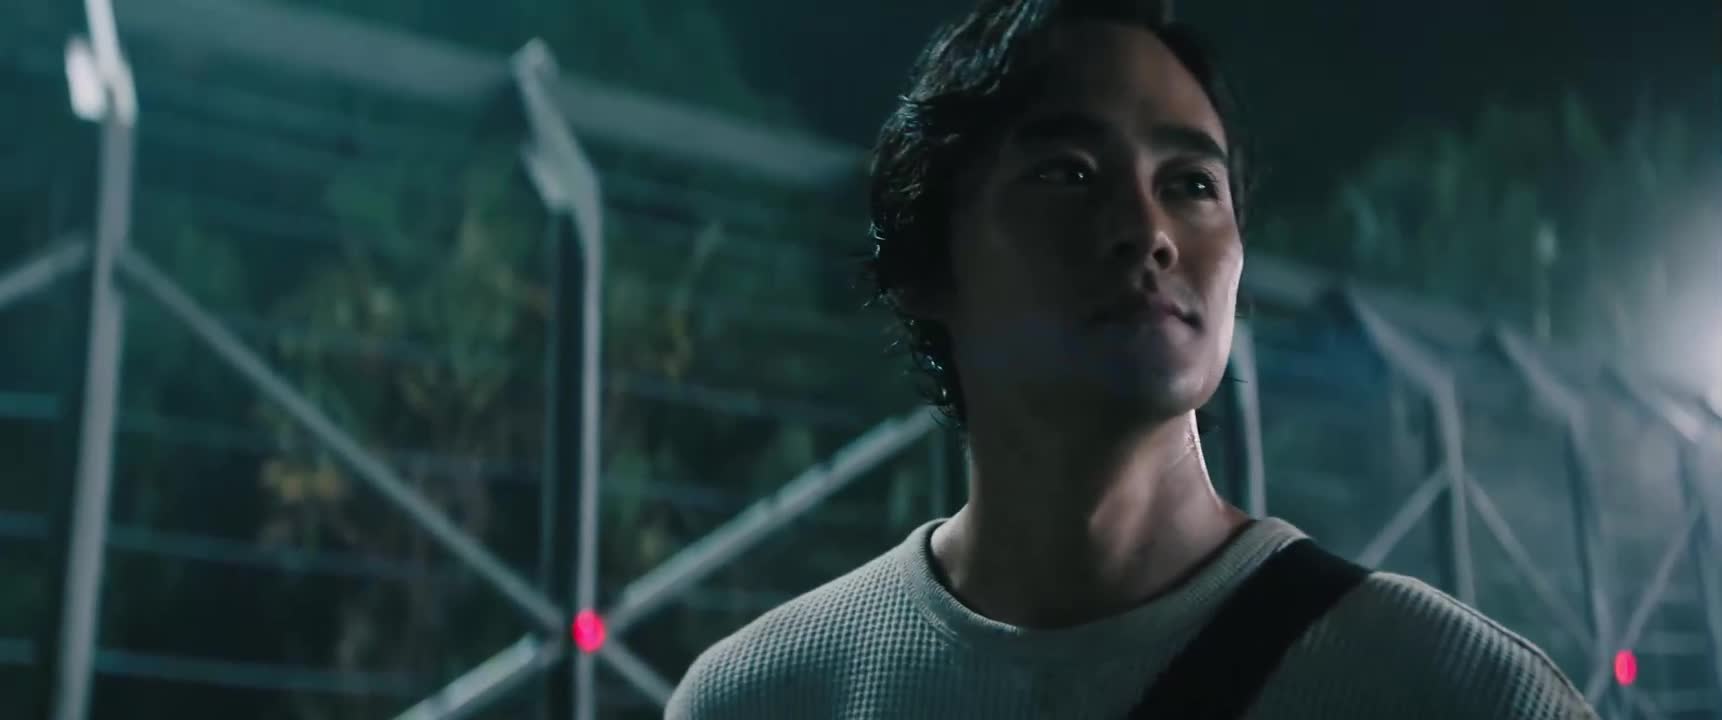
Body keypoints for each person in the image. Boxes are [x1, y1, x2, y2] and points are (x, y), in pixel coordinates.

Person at [667, 0, 1599, 717]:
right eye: (1068, 173)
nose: (1149, 230)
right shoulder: (763, 698)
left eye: (1192, 184)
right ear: (924, 262)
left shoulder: (1445, 690)